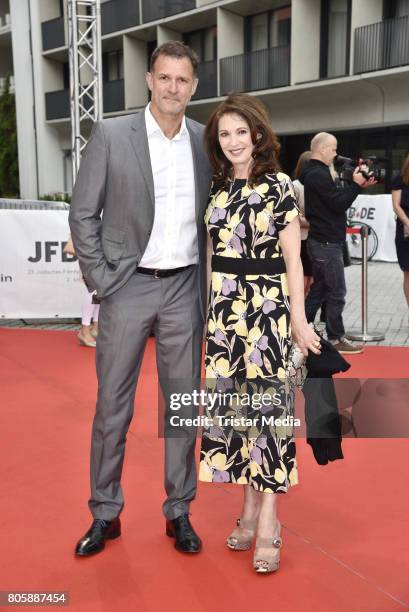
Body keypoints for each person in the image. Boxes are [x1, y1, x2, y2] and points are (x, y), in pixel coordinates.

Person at [69, 41, 212, 556]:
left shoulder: (204, 139)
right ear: (149, 80)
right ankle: (105, 512)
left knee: (182, 408)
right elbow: (83, 212)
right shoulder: (111, 134)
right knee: (112, 407)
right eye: (165, 77)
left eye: (183, 80)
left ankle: (180, 512)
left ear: (194, 87)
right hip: (127, 286)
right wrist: (101, 279)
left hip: (184, 287)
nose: (173, 87)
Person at [198, 94, 321, 574]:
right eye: (224, 134)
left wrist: (298, 320)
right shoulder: (218, 188)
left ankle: (268, 517)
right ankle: (248, 507)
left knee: (268, 414)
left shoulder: (280, 187)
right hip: (226, 316)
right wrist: (210, 313)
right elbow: (213, 257)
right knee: (237, 414)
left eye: (240, 132)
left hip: (267, 312)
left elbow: (293, 261)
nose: (232, 142)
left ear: (258, 136)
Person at [300, 132, 374, 354]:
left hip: (323, 241)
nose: (335, 154)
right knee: (336, 292)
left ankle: (301, 329)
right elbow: (338, 203)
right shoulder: (317, 174)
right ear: (322, 149)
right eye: (333, 149)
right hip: (325, 243)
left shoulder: (315, 173)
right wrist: (357, 186)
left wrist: (355, 184)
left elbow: (334, 199)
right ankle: (335, 338)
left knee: (320, 290)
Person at [63, 236, 99, 347]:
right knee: (92, 290)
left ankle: (96, 328)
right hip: (90, 254)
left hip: (99, 253)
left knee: (100, 291)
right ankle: (85, 331)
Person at [391, 154, 409, 317]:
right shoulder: (400, 178)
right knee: (408, 271)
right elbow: (396, 205)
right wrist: (407, 221)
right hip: (405, 229)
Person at [292, 151, 313, 294]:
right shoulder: (295, 186)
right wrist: (316, 223)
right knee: (303, 279)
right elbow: (294, 218)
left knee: (312, 280)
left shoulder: (317, 185)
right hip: (300, 239)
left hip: (316, 239)